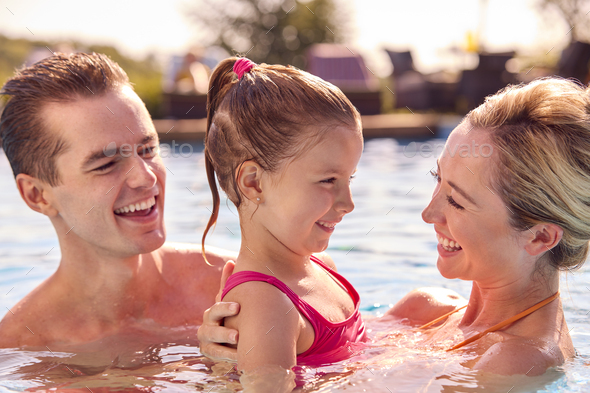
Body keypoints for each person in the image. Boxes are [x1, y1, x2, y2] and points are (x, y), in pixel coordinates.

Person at [199, 77, 587, 376]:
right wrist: (232, 347)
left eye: (456, 200)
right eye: (438, 181)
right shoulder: (423, 311)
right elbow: (321, 342)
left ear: (539, 236)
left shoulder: (514, 362)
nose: (428, 213)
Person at [0, 52, 238, 353]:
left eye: (148, 149)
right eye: (106, 164)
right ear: (37, 195)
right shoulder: (22, 347)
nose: (145, 177)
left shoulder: (235, 289)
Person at [200, 56, 367, 377]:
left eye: (350, 179)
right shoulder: (265, 305)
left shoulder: (323, 267)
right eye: (328, 181)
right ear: (253, 182)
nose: (348, 203)